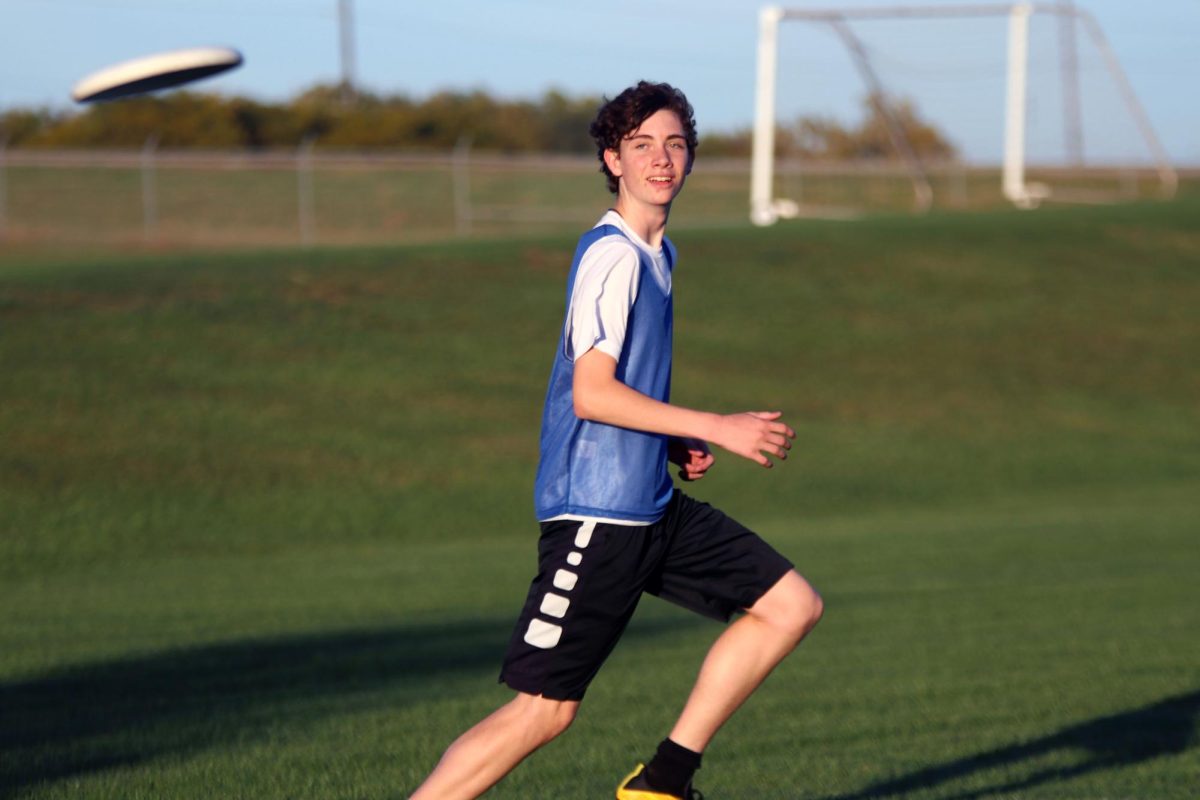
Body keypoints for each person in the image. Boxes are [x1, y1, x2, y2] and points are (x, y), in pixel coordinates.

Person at [408, 80, 823, 800]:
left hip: (652, 507)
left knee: (790, 605)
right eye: (641, 146)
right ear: (613, 159)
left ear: (690, 158)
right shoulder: (615, 257)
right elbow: (590, 392)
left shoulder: (660, 253)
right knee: (544, 712)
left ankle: (664, 782)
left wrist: (665, 446)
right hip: (598, 518)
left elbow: (618, 382)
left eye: (674, 144)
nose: (661, 159)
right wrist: (712, 425)